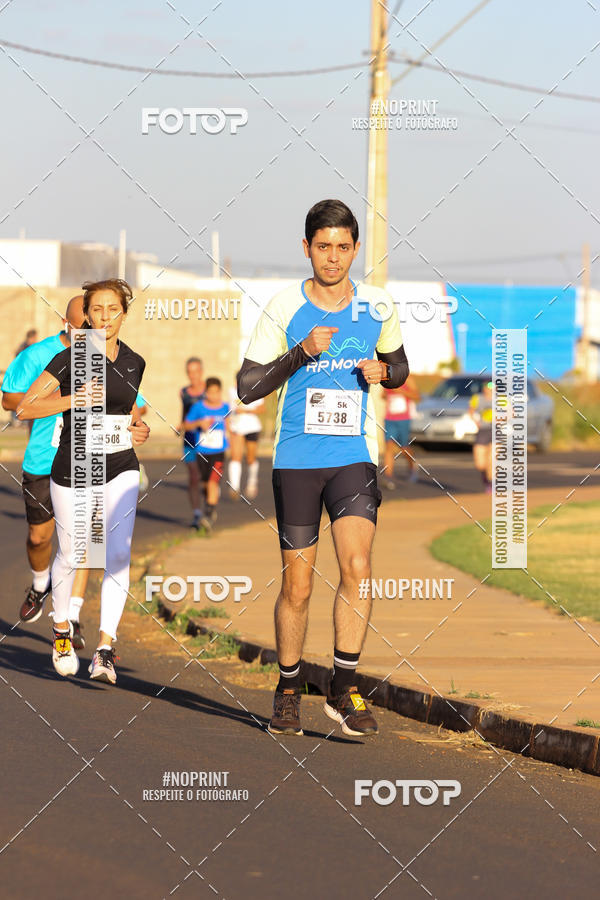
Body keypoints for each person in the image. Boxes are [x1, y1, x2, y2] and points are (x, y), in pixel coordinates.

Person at [237, 199, 409, 737]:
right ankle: (289, 688)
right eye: (322, 246)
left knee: (357, 566)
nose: (332, 257)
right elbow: (247, 387)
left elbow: (400, 366)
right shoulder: (284, 306)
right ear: (306, 248)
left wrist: (385, 372)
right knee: (299, 585)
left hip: (353, 456)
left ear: (355, 250)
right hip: (296, 460)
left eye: (342, 247)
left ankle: (345, 688)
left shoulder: (378, 305)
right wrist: (301, 352)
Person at [19, 278, 149, 683]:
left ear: (124, 314)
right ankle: (61, 629)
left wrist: (138, 428)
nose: (105, 317)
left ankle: (105, 649)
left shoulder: (135, 362)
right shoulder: (70, 358)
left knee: (118, 552)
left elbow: (128, 412)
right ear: (87, 316)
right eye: (97, 310)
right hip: (75, 467)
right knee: (74, 553)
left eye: (113, 309)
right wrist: (72, 399)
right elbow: (25, 408)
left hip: (121, 463)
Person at [1, 297, 92, 648]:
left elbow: (134, 404)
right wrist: (54, 396)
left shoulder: (107, 356)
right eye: (80, 327)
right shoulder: (38, 355)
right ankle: (40, 585)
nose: (87, 334)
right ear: (65, 323)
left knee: (83, 541)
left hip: (86, 461)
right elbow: (10, 400)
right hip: (43, 460)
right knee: (40, 538)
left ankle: (73, 616)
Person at [184, 377, 231, 531]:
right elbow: (186, 425)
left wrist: (231, 441)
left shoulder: (226, 408)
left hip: (219, 452)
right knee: (204, 483)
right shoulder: (198, 407)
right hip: (202, 452)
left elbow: (229, 426)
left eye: (216, 392)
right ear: (206, 393)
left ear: (220, 392)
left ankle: (209, 516)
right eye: (210, 392)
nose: (213, 396)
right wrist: (199, 423)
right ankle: (209, 505)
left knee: (213, 482)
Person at [179, 358, 206, 528]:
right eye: (190, 372)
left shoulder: (209, 391)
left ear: (201, 372)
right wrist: (180, 426)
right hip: (189, 439)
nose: (193, 375)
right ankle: (197, 514)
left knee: (206, 478)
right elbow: (184, 415)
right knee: (194, 477)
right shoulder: (184, 393)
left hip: (207, 441)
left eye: (196, 371)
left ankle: (209, 508)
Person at [381, 374, 420, 489]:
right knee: (389, 446)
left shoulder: (408, 379)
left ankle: (412, 468)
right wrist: (386, 395)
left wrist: (400, 392)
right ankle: (388, 477)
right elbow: (383, 395)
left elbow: (417, 396)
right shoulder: (387, 378)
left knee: (404, 447)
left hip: (403, 419)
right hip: (389, 418)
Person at [228, 378, 264, 500]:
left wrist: (246, 411)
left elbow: (261, 408)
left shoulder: (256, 390)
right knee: (235, 456)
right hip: (236, 427)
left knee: (250, 458)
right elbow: (230, 408)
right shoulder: (232, 391)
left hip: (252, 427)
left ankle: (252, 483)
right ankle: (234, 487)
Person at [470, 380, 494, 493]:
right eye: (487, 387)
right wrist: (476, 422)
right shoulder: (477, 398)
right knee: (480, 464)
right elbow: (471, 411)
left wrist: (503, 419)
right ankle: (485, 477)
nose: (488, 389)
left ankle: (491, 483)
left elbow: (511, 412)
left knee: (492, 459)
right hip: (483, 431)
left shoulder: (501, 399)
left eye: (491, 387)